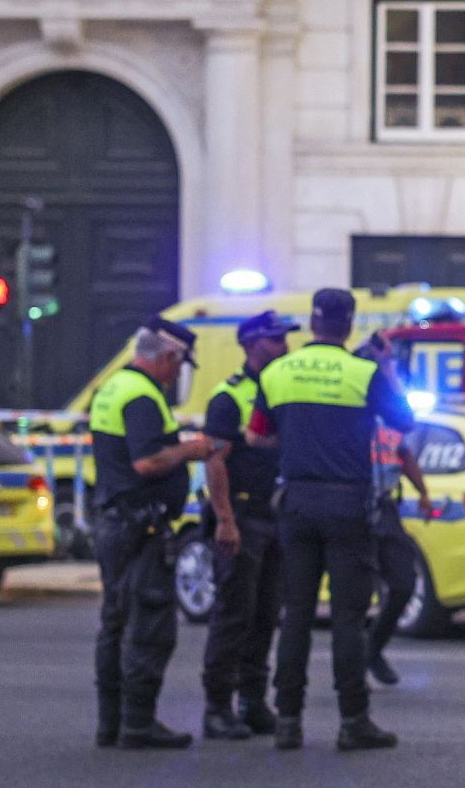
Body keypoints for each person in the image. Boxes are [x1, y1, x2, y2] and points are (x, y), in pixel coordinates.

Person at [251, 288, 415, 751]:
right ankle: (353, 720)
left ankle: (288, 720)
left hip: (297, 503)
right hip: (347, 505)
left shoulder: (278, 372)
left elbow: (256, 435)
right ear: (348, 324)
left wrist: (298, 444)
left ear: (312, 321)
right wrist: (385, 370)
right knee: (348, 617)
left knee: (297, 615)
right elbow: (404, 422)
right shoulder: (362, 373)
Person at [89, 318, 219, 748]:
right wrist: (191, 450)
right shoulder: (143, 397)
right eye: (179, 365)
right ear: (167, 357)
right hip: (139, 524)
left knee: (115, 622)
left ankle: (111, 723)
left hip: (115, 518)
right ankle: (138, 724)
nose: (178, 374)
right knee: (150, 625)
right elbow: (146, 463)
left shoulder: (113, 388)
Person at [199, 310, 298, 741]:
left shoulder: (282, 390)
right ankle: (218, 707)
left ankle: (253, 702)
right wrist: (225, 520)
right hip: (240, 514)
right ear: (251, 345)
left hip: (274, 514)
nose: (284, 347)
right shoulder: (228, 398)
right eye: (276, 340)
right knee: (233, 615)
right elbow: (215, 461)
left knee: (265, 615)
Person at [364, 423, 434, 687]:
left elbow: (403, 453)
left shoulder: (393, 415)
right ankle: (352, 670)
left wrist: (423, 492)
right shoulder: (354, 403)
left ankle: (372, 648)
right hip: (352, 507)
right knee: (354, 594)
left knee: (404, 583)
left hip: (384, 508)